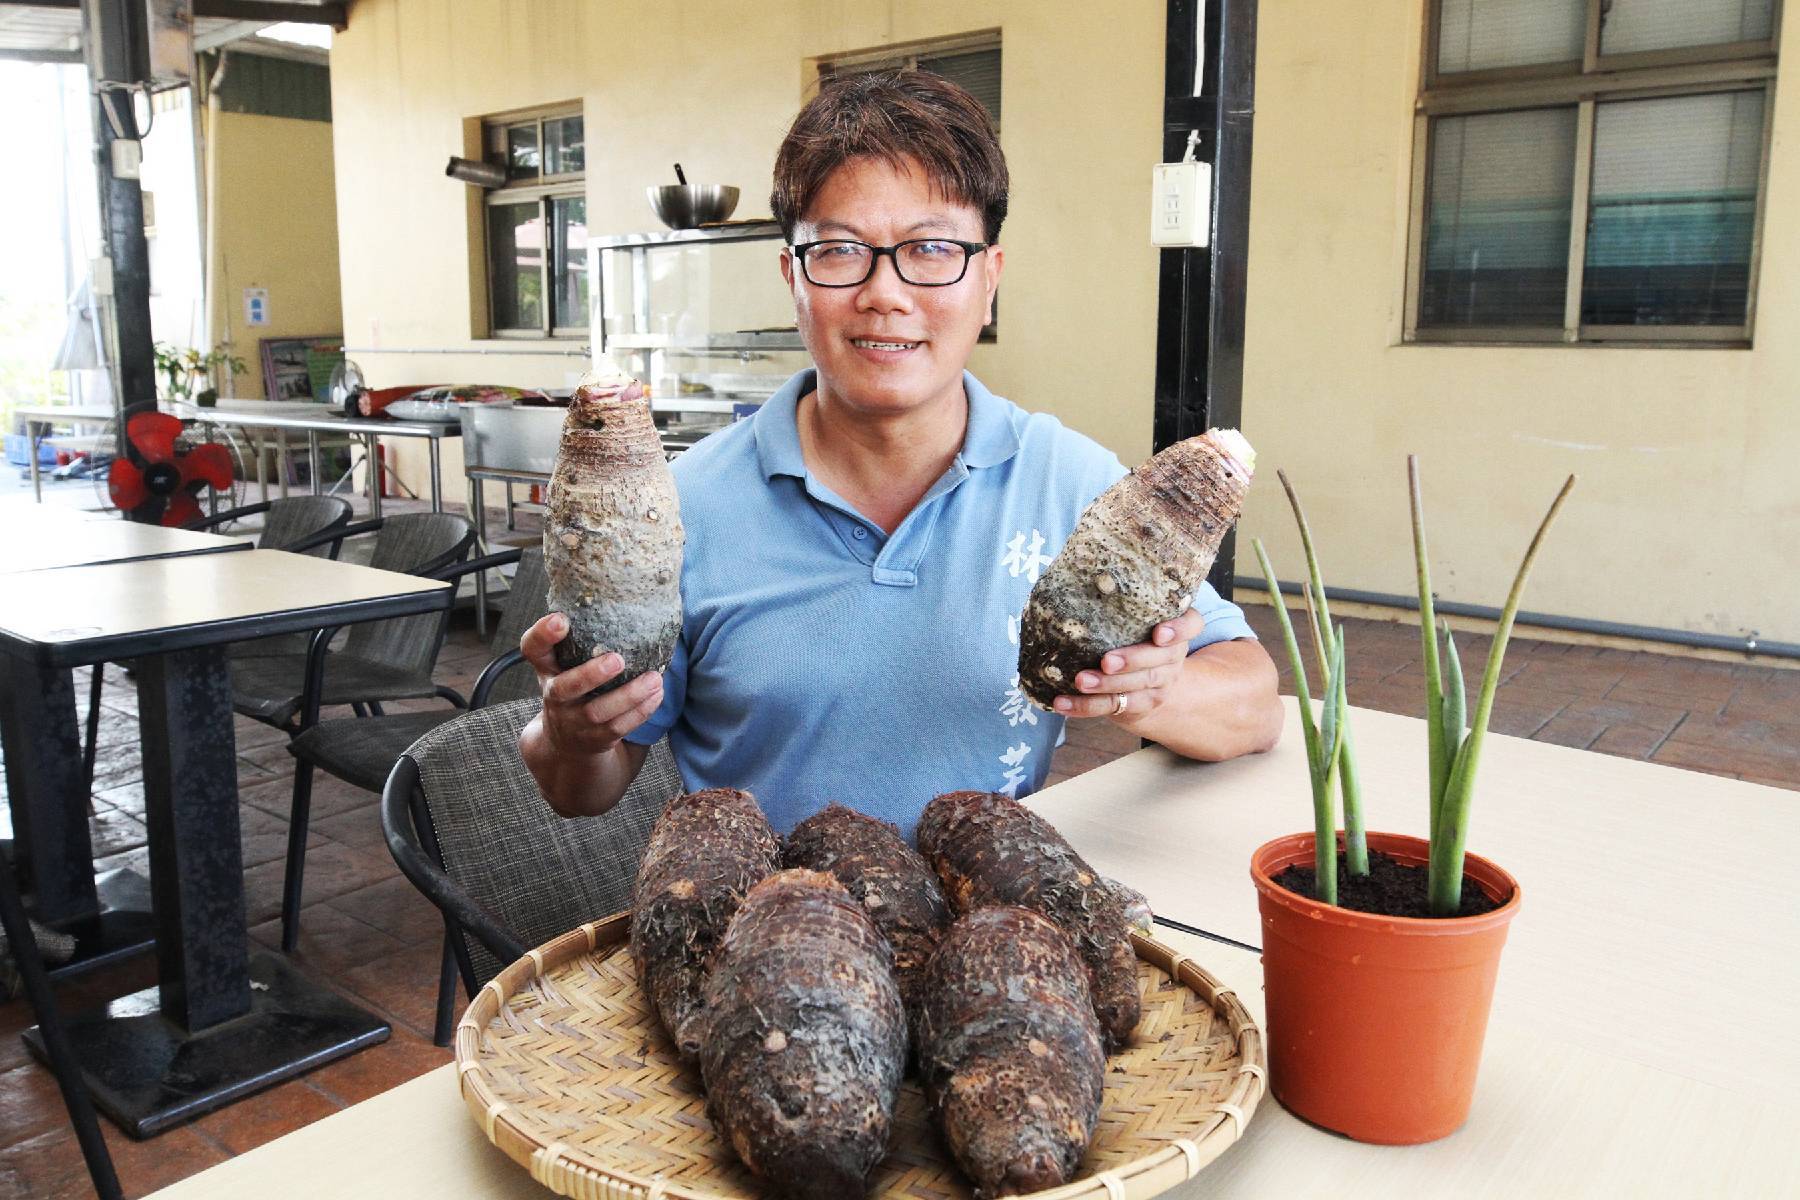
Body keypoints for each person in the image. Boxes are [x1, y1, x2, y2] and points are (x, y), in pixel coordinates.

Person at [520, 70, 1282, 841]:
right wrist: (569, 734)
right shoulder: (681, 508)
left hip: (993, 930)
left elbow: (1253, 703)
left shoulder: (1070, 482)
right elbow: (580, 790)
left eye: (932, 249)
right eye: (841, 250)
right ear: (793, 279)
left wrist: (1147, 693)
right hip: (767, 936)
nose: (886, 293)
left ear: (990, 280)